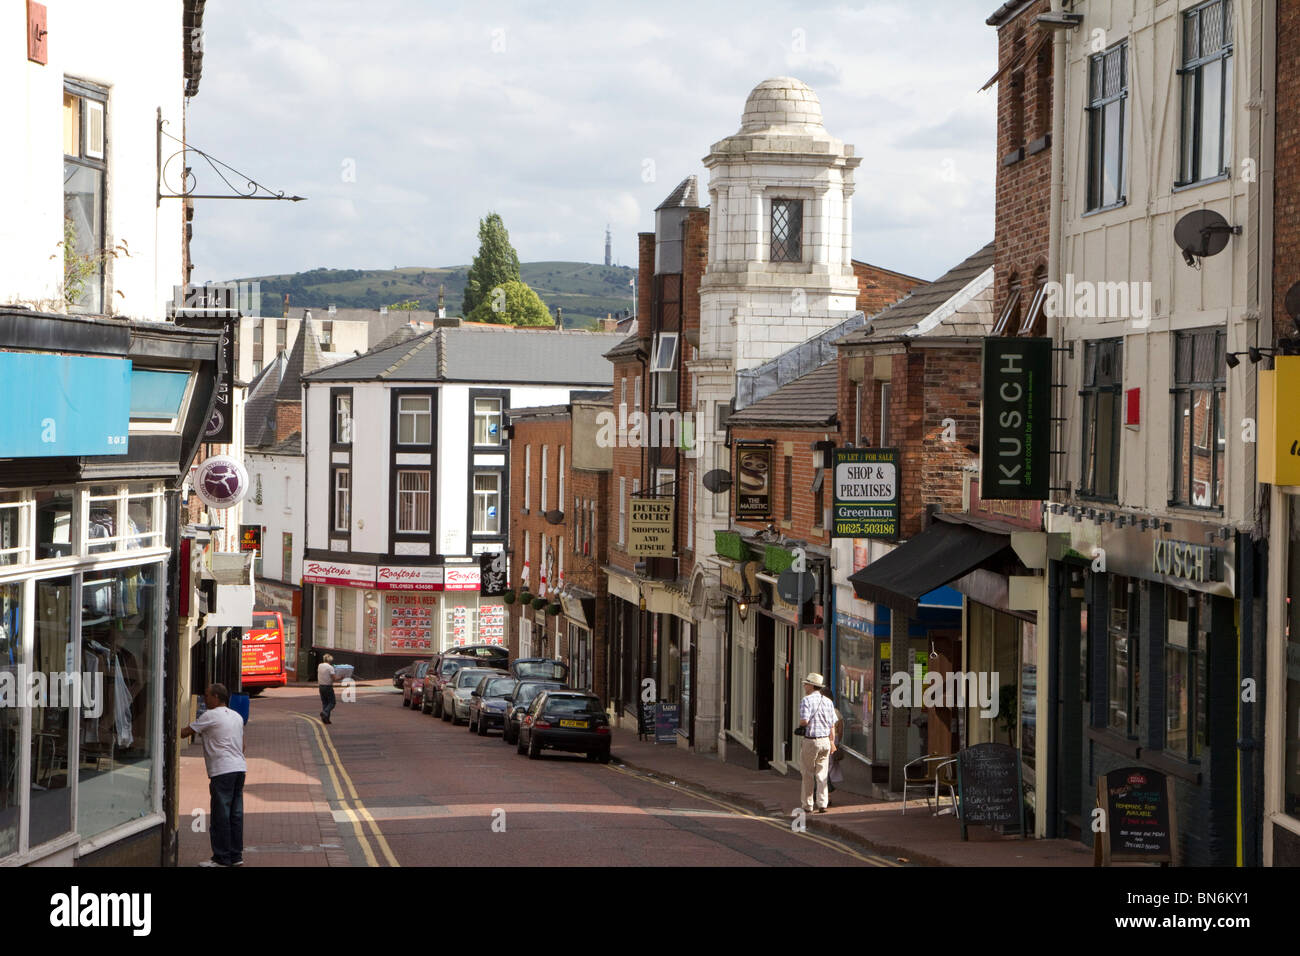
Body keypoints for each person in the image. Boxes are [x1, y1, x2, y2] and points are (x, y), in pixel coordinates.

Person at [180, 683, 246, 867]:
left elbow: (185, 733)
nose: (204, 699)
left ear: (216, 697)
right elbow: (243, 746)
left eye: (207, 695)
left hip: (222, 770)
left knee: (220, 815)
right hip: (239, 769)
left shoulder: (210, 715)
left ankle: (221, 858)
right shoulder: (237, 716)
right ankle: (236, 856)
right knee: (235, 814)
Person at [798, 672, 837, 814]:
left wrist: (800, 725)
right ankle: (822, 804)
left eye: (806, 683)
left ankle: (808, 805)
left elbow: (804, 721)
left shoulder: (806, 701)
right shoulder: (828, 702)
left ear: (811, 686)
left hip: (811, 741)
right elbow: (832, 725)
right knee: (822, 774)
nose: (804, 685)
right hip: (826, 741)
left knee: (808, 773)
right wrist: (832, 742)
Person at [318, 653, 337, 724]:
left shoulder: (320, 665)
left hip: (321, 686)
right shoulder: (330, 667)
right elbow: (334, 678)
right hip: (328, 687)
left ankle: (326, 719)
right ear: (330, 660)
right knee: (332, 702)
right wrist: (341, 677)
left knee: (325, 703)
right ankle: (325, 712)